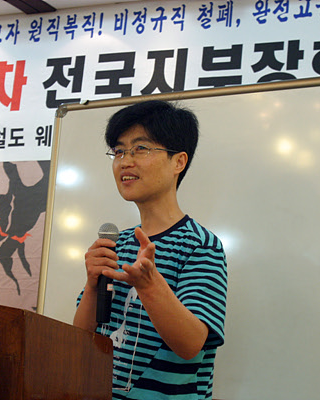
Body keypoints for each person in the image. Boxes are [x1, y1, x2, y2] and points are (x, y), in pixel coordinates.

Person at [73, 100, 228, 400]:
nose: (125, 162)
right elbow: (80, 337)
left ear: (178, 162)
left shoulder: (200, 246)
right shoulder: (116, 243)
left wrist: (148, 285)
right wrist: (92, 285)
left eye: (140, 148)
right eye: (119, 151)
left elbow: (190, 345)